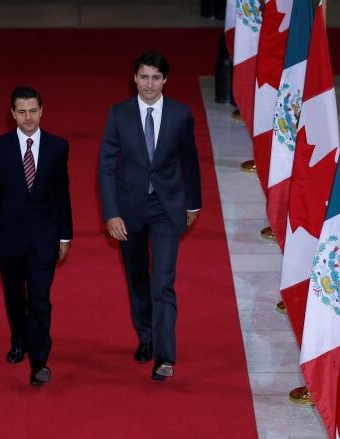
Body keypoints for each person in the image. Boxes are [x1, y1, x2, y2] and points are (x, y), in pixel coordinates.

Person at [98, 50, 202, 381]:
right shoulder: (118, 115)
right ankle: (146, 336)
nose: (149, 84)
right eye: (143, 77)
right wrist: (111, 213)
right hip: (129, 212)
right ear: (134, 79)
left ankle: (165, 355)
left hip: (166, 209)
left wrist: (193, 204)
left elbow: (190, 162)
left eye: (156, 77)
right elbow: (106, 167)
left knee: (163, 281)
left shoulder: (180, 114)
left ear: (165, 80)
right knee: (138, 279)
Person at [0, 86, 73, 386]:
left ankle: (40, 362)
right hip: (9, 239)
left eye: (33, 111)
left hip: (45, 238)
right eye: (22, 112)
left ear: (42, 111)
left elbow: (62, 195)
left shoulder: (58, 147)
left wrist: (65, 236)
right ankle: (20, 340)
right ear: (13, 114)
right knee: (16, 297)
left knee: (40, 300)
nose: (28, 117)